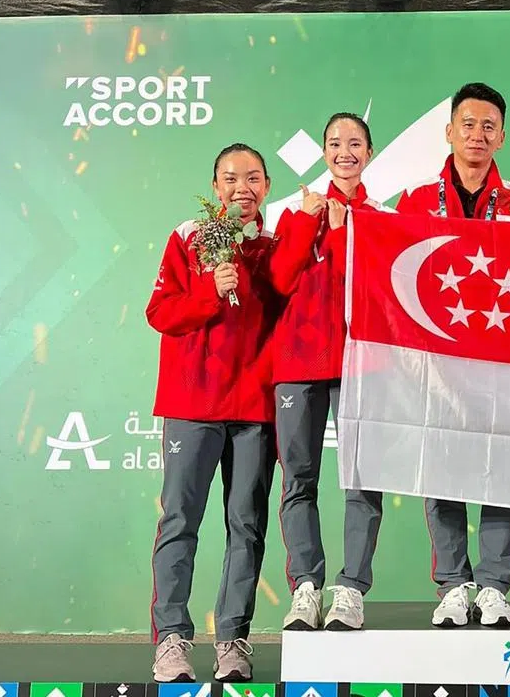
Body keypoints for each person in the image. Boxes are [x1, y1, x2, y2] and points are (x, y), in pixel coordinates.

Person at [395, 82, 510, 628]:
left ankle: (496, 585)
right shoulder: (412, 201)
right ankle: (454, 585)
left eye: (488, 126)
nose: (477, 134)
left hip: (504, 360)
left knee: (503, 469)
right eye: (468, 123)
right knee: (444, 468)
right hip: (437, 359)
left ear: (501, 136)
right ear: (449, 131)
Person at [146, 143, 280, 683]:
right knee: (180, 521)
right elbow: (160, 312)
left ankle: (233, 639)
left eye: (252, 177)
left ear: (267, 186)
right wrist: (209, 289)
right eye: (230, 178)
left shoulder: (276, 245)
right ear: (215, 185)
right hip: (192, 403)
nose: (241, 187)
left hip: (255, 408)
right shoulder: (189, 237)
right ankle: (171, 638)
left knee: (246, 526)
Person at [269, 113, 392, 633]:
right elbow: (279, 278)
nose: (345, 152)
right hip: (299, 361)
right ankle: (305, 586)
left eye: (355, 143)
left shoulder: (382, 217)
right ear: (323, 153)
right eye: (335, 144)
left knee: (362, 476)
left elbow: (366, 285)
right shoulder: (295, 214)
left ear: (369, 152)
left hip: (361, 361)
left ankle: (351, 589)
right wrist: (306, 222)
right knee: (298, 477)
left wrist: (341, 232)